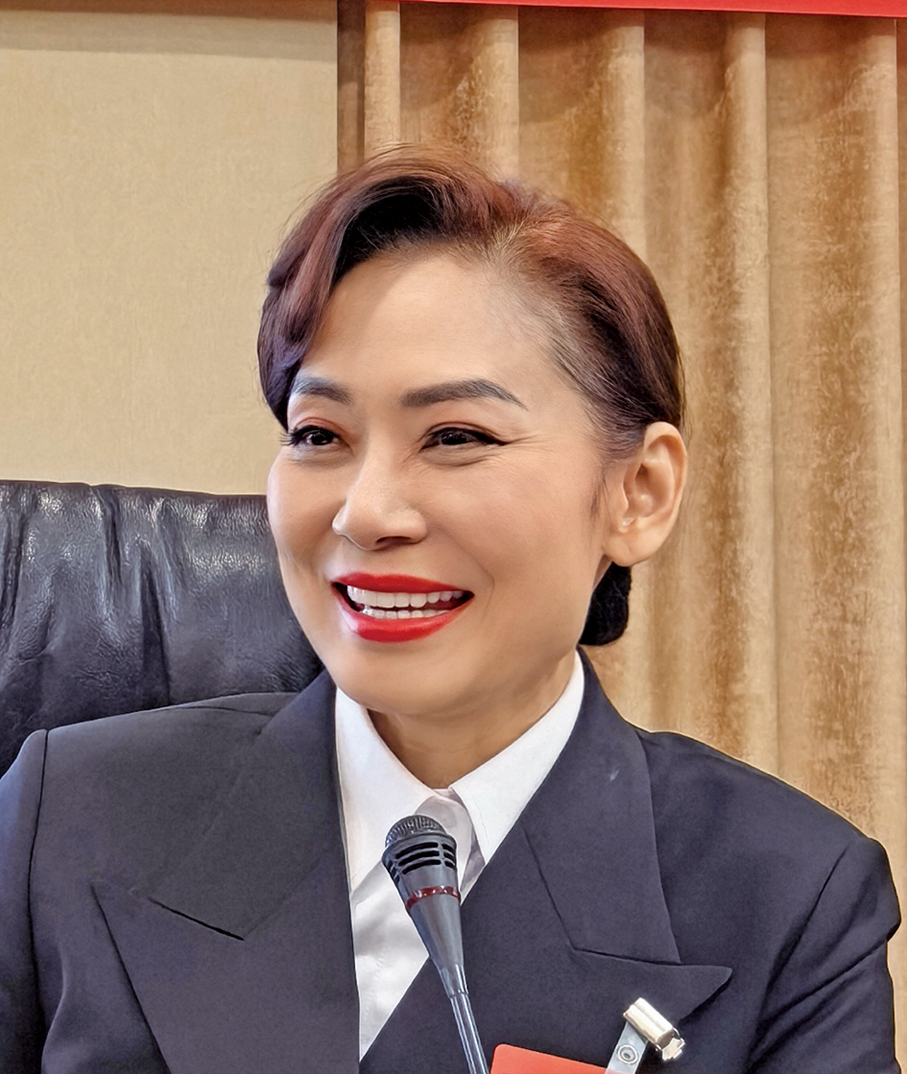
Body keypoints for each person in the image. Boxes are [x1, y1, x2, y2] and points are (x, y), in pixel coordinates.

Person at [0, 150, 899, 1073]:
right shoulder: (70, 815)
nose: (365, 513)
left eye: (456, 436)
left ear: (637, 492)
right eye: (319, 435)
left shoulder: (788, 895)